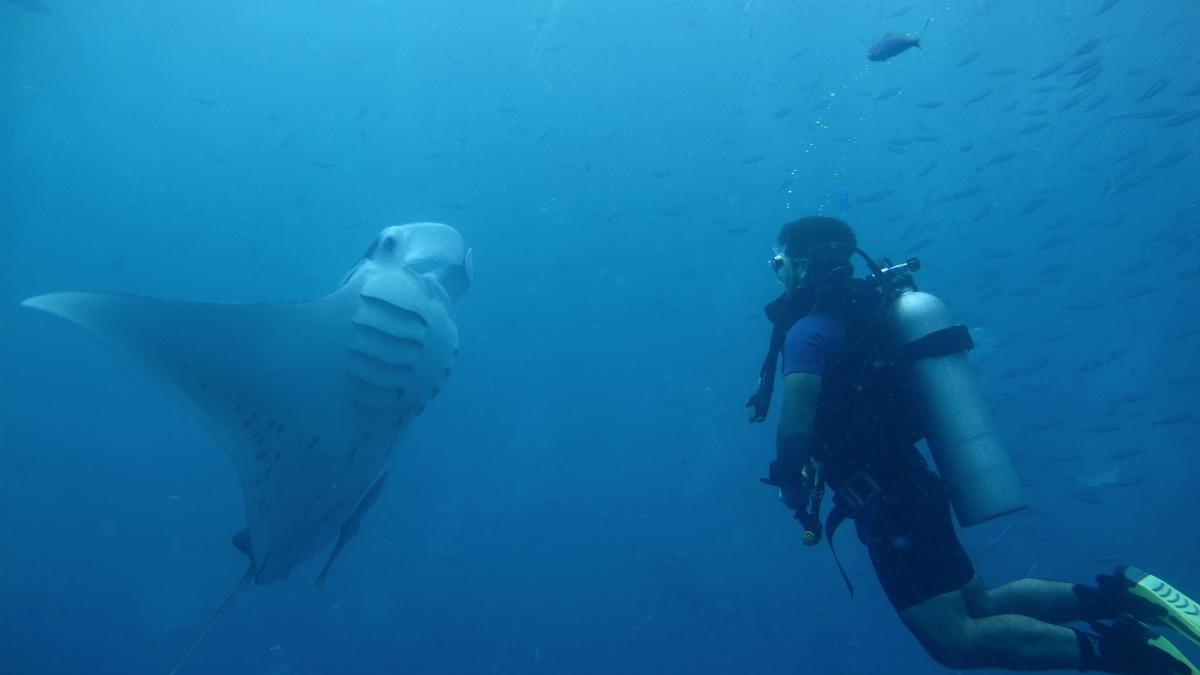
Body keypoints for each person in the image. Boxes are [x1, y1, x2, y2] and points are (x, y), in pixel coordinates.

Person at [745, 215, 1199, 674]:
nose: (777, 271)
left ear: (798, 263)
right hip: (911, 483)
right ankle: (1122, 596)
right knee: (978, 603)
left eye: (777, 261)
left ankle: (1129, 655)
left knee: (954, 640)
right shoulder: (869, 312)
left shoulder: (810, 331)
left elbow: (797, 422)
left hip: (887, 504)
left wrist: (787, 476)